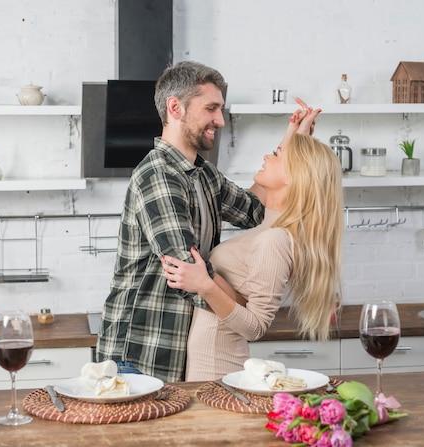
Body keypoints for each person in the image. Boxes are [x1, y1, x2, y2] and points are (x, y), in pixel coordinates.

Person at [96, 60, 320, 382]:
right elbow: (186, 269)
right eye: (211, 109)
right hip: (140, 352)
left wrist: (292, 144)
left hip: (176, 349)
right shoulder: (159, 175)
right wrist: (246, 309)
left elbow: (255, 208)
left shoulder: (201, 173)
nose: (220, 120)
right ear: (176, 108)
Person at [162, 132, 343, 381]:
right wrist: (293, 133)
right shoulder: (267, 228)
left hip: (216, 367)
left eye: (278, 154)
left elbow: (255, 327)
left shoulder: (275, 240)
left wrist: (205, 285)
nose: (267, 156)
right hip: (209, 363)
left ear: (293, 176)